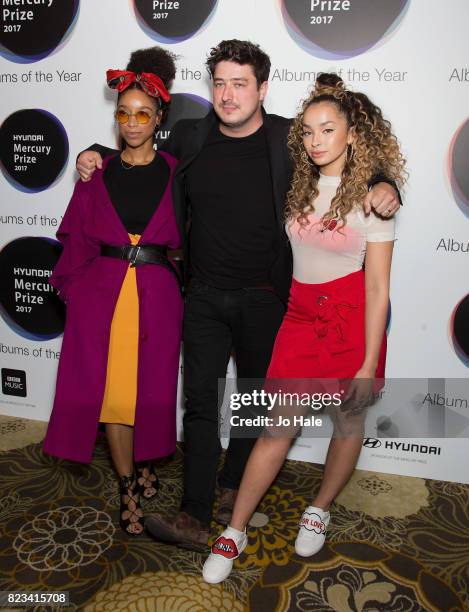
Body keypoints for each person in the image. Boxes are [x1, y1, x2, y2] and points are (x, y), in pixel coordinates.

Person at [76, 40, 400, 551]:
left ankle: (232, 492)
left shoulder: (289, 140)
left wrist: (384, 183)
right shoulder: (189, 135)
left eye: (240, 83)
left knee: (253, 404)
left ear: (263, 88)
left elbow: (342, 161)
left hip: (269, 297)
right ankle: (194, 513)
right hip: (202, 293)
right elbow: (136, 148)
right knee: (201, 404)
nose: (227, 95)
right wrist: (94, 151)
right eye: (220, 83)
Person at [202, 72, 406, 583]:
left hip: (350, 322)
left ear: (352, 134)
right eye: (309, 131)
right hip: (297, 317)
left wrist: (365, 363)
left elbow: (378, 289)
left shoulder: (373, 201)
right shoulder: (299, 177)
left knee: (348, 421)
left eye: (328, 130)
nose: (316, 141)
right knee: (276, 428)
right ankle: (236, 531)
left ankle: (321, 505)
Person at [43, 47, 183, 536]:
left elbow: (191, 235)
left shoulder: (175, 171)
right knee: (115, 399)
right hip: (103, 297)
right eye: (124, 113)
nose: (132, 122)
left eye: (143, 113)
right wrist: (79, 291)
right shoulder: (97, 170)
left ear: (159, 117)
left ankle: (144, 466)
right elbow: (75, 235)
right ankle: (127, 485)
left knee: (150, 395)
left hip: (156, 298)